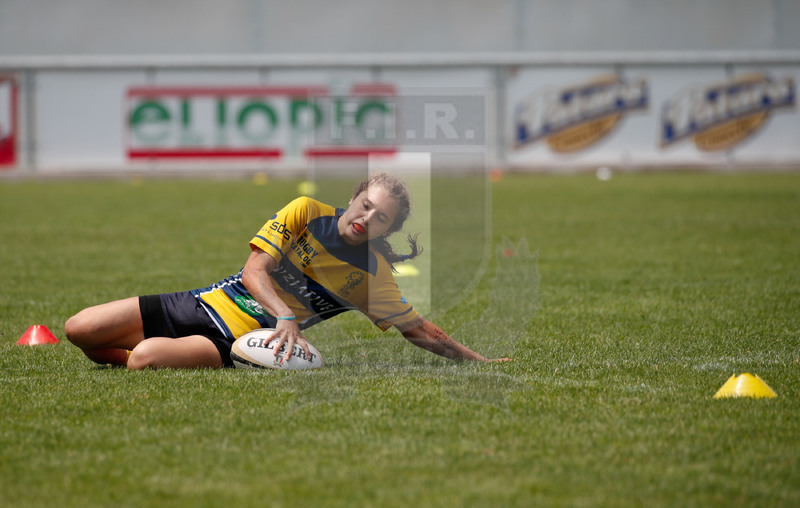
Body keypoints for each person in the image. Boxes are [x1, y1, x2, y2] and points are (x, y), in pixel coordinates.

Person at [64, 172, 513, 369]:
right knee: (79, 328)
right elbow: (253, 272)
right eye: (366, 205)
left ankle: (160, 353)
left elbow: (418, 330)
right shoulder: (306, 212)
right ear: (355, 197)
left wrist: (479, 360)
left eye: (381, 219)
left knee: (143, 359)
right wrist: (286, 313)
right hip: (200, 303)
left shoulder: (372, 275)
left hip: (236, 341)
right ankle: (154, 348)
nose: (366, 219)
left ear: (387, 229)